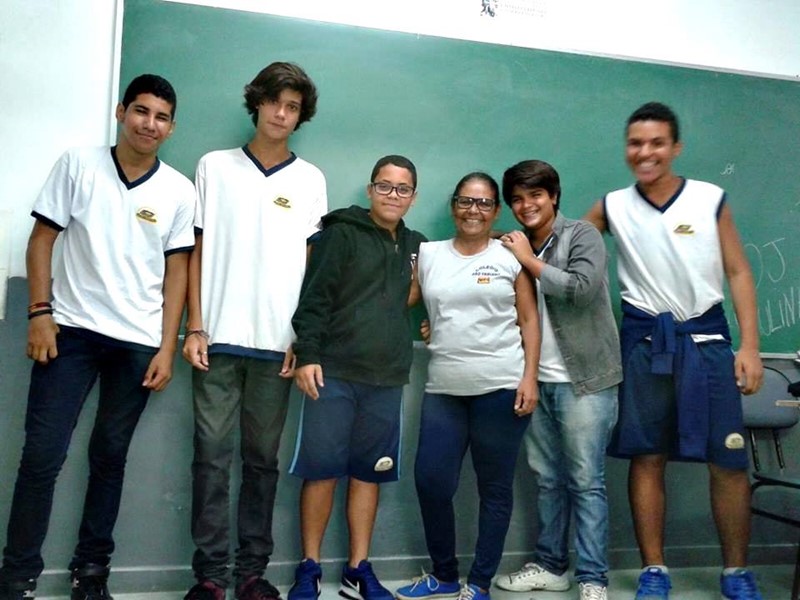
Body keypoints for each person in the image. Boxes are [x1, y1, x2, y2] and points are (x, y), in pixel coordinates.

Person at [0, 74, 194, 600]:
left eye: (161, 117)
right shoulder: (78, 165)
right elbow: (42, 239)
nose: (149, 124)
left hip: (137, 344)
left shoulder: (179, 190)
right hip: (70, 334)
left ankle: (91, 574)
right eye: (141, 111)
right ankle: (17, 577)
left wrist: (166, 347)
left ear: (172, 128)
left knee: (110, 457)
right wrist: (39, 312)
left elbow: (177, 273)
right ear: (121, 112)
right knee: (42, 456)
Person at [584, 102, 764, 600]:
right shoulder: (612, 206)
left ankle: (736, 572)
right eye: (635, 143)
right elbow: (565, 248)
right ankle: (654, 571)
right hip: (645, 346)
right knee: (647, 458)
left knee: (727, 461)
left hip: (707, 345)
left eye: (657, 143)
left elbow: (738, 271)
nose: (645, 153)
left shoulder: (709, 199)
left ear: (675, 147)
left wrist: (750, 346)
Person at [182, 62, 327, 600]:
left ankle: (251, 573)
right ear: (257, 102)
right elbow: (195, 250)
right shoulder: (214, 167)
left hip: (277, 348)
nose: (281, 114)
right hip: (215, 342)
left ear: (299, 116)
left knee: (262, 462)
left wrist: (301, 339)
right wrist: (195, 326)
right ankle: (209, 576)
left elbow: (312, 269)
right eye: (274, 102)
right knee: (210, 458)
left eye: (292, 107)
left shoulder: (310, 179)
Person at [286, 155, 425, 600]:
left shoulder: (418, 246)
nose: (392, 195)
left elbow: (438, 288)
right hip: (332, 373)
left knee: (369, 473)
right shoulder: (340, 234)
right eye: (384, 186)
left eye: (402, 189)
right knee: (322, 471)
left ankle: (356, 569)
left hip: (386, 378)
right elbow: (315, 298)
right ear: (370, 190)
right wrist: (308, 354)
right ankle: (309, 567)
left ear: (413, 197)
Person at [395, 172, 539, 600]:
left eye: (483, 203)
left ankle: (478, 584)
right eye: (465, 201)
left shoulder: (510, 256)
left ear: (495, 210)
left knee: (494, 488)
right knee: (431, 481)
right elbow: (399, 302)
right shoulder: (429, 254)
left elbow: (529, 320)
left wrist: (529, 377)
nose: (473, 210)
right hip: (444, 388)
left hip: (501, 386)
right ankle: (443, 575)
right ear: (453, 205)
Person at [493, 160, 621, 600]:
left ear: (553, 196)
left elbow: (581, 289)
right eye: (517, 199)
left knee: (586, 481)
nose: (526, 205)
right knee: (547, 479)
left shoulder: (582, 235)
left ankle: (593, 579)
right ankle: (551, 566)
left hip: (584, 379)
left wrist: (526, 260)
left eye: (535, 195)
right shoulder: (511, 244)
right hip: (534, 380)